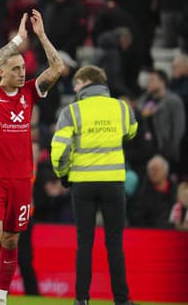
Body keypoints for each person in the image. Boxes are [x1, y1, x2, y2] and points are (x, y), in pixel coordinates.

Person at [0, 9, 63, 305]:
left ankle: (2, 296)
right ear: (2, 72)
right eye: (14, 68)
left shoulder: (29, 93)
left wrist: (41, 36)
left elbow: (58, 68)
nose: (21, 72)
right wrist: (18, 40)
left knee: (12, 239)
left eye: (22, 67)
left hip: (21, 177)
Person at [51, 65, 138, 305]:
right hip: (113, 182)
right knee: (115, 244)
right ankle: (121, 300)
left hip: (83, 184)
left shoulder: (72, 111)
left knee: (84, 244)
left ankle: (82, 300)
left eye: (77, 83)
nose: (74, 88)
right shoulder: (121, 107)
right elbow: (132, 131)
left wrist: (63, 174)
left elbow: (59, 150)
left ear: (87, 81)